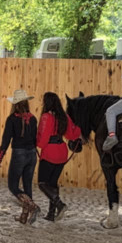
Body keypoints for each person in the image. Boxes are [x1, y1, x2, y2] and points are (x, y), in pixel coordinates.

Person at [36, 92, 82, 222]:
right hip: (62, 152)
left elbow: (42, 140)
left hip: (50, 152)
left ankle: (59, 204)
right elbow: (72, 135)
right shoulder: (64, 116)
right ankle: (51, 214)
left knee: (42, 183)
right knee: (52, 183)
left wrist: (36, 142)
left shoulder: (46, 117)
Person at [0, 88, 39, 224]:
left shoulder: (11, 119)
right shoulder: (33, 119)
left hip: (19, 154)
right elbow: (35, 139)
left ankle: (33, 207)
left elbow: (6, 140)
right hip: (32, 154)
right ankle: (24, 217)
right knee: (27, 186)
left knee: (13, 186)